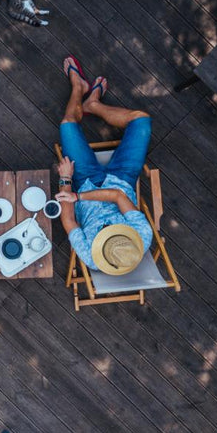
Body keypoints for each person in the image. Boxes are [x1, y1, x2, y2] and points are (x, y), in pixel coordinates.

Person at [54, 56, 154, 275]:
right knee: (141, 121)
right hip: (122, 179)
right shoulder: (143, 235)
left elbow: (69, 221)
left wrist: (66, 181)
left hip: (83, 181)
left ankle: (78, 88)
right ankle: (94, 105)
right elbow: (118, 196)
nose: (108, 229)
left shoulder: (92, 256)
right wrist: (77, 198)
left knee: (67, 126)